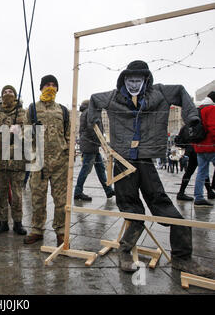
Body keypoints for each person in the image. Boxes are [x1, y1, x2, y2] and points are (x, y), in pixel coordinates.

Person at [87, 60, 214, 278]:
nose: (134, 84)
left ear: (146, 80)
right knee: (131, 209)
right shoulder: (113, 97)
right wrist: (95, 126)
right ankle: (125, 251)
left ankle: (183, 258)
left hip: (145, 158)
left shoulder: (159, 93)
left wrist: (192, 118)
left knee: (162, 203)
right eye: (130, 80)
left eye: (138, 80)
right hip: (122, 160)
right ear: (123, 80)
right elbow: (93, 101)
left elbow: (182, 91)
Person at [23, 75, 70, 247]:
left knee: (61, 200)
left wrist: (68, 156)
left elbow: (68, 135)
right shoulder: (32, 109)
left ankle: (61, 231)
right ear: (41, 88)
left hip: (59, 163)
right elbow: (25, 135)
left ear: (57, 89)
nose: (50, 87)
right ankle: (37, 230)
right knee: (37, 198)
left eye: (53, 85)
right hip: (38, 162)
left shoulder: (63, 110)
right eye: (47, 85)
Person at [0, 85, 27, 235]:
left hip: (17, 161)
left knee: (17, 194)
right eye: (5, 92)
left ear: (15, 95)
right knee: (1, 193)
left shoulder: (23, 113)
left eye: (10, 91)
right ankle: (2, 222)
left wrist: (20, 131)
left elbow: (31, 133)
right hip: (0, 160)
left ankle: (18, 222)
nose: (7, 93)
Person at [74, 99, 115, 201]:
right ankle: (78, 192)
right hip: (91, 145)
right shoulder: (89, 112)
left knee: (100, 169)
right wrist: (100, 141)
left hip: (91, 145)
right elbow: (92, 128)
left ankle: (108, 190)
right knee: (86, 170)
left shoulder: (84, 113)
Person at [175, 125, 214, 201]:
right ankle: (209, 192)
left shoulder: (185, 126)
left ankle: (181, 192)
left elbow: (180, 139)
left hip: (190, 150)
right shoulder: (199, 124)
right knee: (202, 170)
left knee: (191, 171)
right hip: (197, 149)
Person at [193, 91, 215, 208]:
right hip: (211, 146)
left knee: (201, 172)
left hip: (199, 146)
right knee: (202, 171)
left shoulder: (199, 109)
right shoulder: (211, 109)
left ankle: (198, 197)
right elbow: (213, 128)